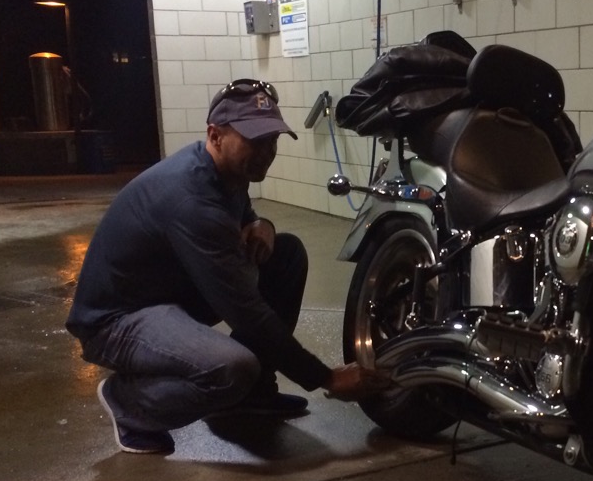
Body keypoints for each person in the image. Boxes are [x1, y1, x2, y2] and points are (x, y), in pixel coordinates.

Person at [66, 78, 385, 453]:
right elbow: (247, 313)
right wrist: (326, 378)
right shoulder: (190, 199)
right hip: (116, 321)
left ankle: (253, 395)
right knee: (232, 368)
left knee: (286, 254)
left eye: (272, 140)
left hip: (170, 292)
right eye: (255, 140)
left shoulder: (228, 172)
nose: (266, 152)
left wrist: (262, 224)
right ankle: (129, 404)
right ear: (215, 136)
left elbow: (244, 214)